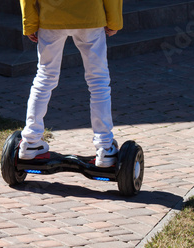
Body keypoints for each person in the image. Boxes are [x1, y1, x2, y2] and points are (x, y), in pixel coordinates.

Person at [18, 0, 123, 167]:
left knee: (45, 77)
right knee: (98, 81)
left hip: (51, 16)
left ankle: (31, 141)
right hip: (90, 15)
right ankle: (105, 146)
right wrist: (114, 20)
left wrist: (30, 23)